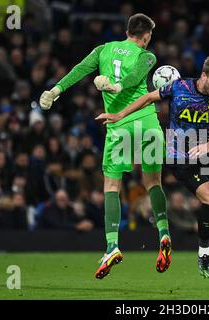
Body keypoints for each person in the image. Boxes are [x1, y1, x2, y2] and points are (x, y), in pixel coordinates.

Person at [39, 13, 172, 279]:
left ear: (127, 31)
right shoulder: (148, 56)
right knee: (153, 183)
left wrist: (55, 90)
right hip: (147, 123)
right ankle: (164, 234)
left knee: (112, 186)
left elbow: (79, 69)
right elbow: (135, 77)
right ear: (146, 36)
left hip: (119, 126)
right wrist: (118, 85)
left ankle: (112, 246)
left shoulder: (103, 49)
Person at [97, 56, 209, 279]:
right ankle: (204, 253)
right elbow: (148, 97)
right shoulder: (179, 87)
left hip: (205, 152)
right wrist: (119, 115)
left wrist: (207, 146)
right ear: (204, 75)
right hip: (179, 157)